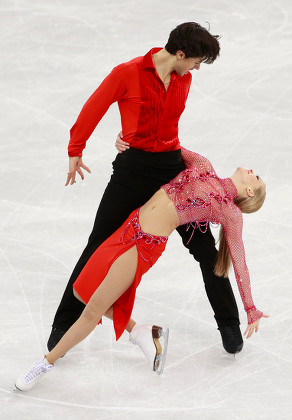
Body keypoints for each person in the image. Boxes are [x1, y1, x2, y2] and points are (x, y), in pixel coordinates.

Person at [47, 22, 243, 368]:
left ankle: (228, 322)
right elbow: (95, 106)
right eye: (196, 60)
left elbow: (166, 128)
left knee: (204, 248)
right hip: (132, 171)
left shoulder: (184, 79)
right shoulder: (128, 73)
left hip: (173, 173)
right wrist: (76, 148)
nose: (197, 68)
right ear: (180, 53)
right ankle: (63, 323)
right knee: (98, 243)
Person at [15, 147, 269, 391]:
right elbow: (164, 146)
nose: (252, 170)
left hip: (146, 244)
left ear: (248, 190)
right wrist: (127, 138)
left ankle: (44, 363)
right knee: (81, 292)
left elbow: (239, 260)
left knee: (92, 309)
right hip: (130, 225)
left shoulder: (230, 212)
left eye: (255, 177)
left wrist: (250, 307)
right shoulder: (203, 165)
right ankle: (141, 331)